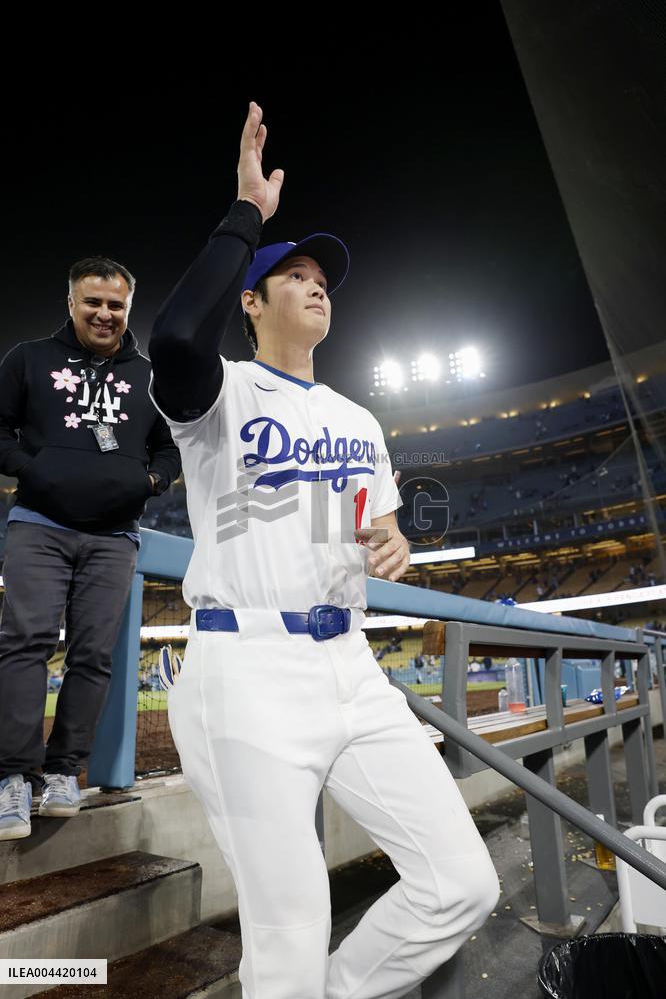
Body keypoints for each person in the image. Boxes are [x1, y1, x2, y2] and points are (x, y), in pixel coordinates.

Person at [148, 101, 499, 999]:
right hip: (248, 668)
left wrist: (395, 543)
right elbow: (176, 335)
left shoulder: (358, 419)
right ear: (253, 302)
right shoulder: (218, 395)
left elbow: (375, 529)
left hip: (352, 665)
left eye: (323, 277)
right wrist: (247, 216)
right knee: (290, 929)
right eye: (292, 275)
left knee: (461, 884)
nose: (316, 284)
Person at [0, 256, 181, 840]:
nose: (105, 314)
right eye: (93, 302)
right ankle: (10, 778)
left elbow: (171, 448)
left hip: (114, 537)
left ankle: (60, 771)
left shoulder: (150, 377)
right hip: (39, 524)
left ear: (129, 308)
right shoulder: (28, 359)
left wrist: (151, 482)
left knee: (92, 657)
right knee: (24, 644)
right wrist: (36, 470)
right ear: (72, 303)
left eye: (116, 304)